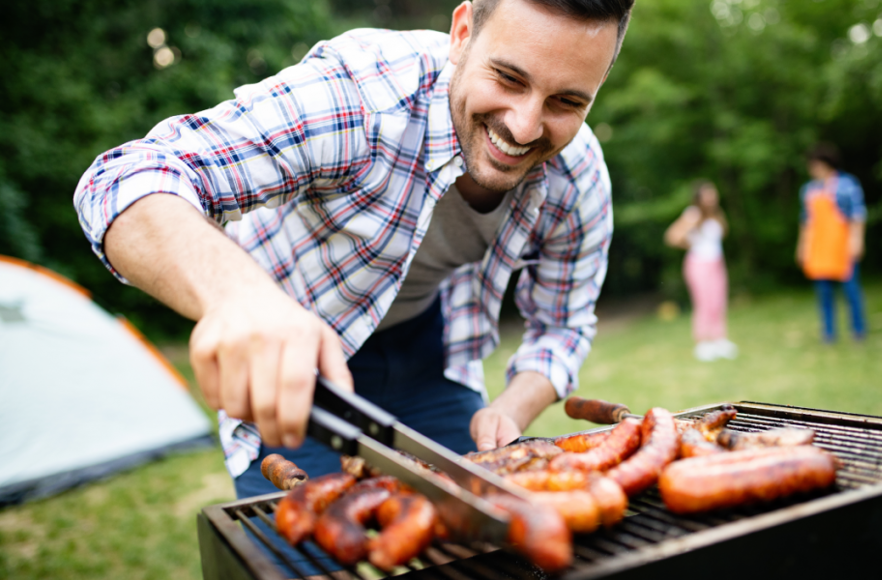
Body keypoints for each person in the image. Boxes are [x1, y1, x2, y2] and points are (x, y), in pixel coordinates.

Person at [75, 0, 631, 495]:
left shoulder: (577, 177)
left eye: (566, 101)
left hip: (430, 354)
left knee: (486, 546)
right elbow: (124, 178)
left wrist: (512, 407)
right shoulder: (361, 96)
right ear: (462, 34)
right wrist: (238, 299)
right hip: (296, 368)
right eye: (509, 78)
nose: (525, 125)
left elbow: (562, 327)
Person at [795, 142, 867, 343]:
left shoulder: (847, 185)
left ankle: (858, 331)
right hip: (819, 247)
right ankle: (828, 334)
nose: (812, 169)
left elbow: (858, 216)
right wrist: (803, 247)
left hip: (842, 245)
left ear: (825, 164)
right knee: (824, 294)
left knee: (851, 291)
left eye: (814, 164)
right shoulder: (808, 190)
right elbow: (806, 222)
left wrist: (857, 241)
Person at [664, 180, 737, 361]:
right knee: (703, 302)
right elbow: (672, 237)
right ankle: (703, 343)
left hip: (716, 262)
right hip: (698, 263)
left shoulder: (717, 214)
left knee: (718, 301)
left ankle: (719, 339)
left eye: (713, 194)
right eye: (707, 194)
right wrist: (689, 243)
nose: (712, 197)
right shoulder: (693, 214)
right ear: (699, 198)